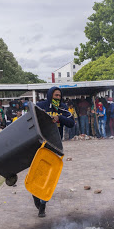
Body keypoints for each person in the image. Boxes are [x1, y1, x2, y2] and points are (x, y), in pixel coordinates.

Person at [34, 86, 74, 217]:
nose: (58, 98)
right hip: (40, 144)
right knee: (38, 174)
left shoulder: (63, 108)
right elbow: (32, 119)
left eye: (59, 96)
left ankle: (43, 206)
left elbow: (71, 123)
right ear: (50, 95)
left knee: (48, 175)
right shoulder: (41, 106)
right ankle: (35, 196)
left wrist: (59, 118)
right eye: (55, 95)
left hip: (55, 145)